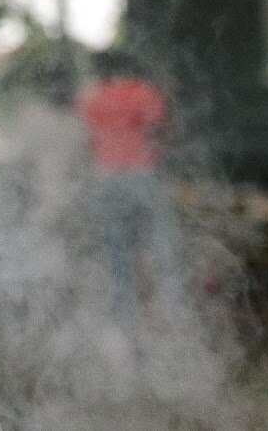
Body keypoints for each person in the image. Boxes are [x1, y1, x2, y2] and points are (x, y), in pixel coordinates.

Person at [75, 49, 186, 335]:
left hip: (105, 178)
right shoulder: (143, 92)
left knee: (116, 250)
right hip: (142, 174)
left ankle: (123, 318)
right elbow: (162, 132)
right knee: (159, 245)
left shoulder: (90, 96)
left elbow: (86, 140)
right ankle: (171, 314)